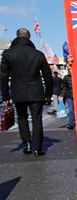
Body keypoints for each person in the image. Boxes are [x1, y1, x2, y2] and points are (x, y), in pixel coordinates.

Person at [0, 28, 53, 156]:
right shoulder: (38, 54)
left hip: (18, 91)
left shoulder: (8, 54)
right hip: (36, 90)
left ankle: (27, 144)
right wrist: (48, 95)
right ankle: (37, 148)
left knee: (22, 118)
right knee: (37, 119)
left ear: (17, 37)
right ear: (29, 38)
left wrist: (6, 96)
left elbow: (3, 76)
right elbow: (47, 76)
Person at [61, 61, 75, 129]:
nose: (71, 70)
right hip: (69, 95)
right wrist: (61, 95)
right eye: (69, 69)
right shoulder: (66, 77)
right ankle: (70, 123)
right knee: (71, 110)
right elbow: (64, 87)